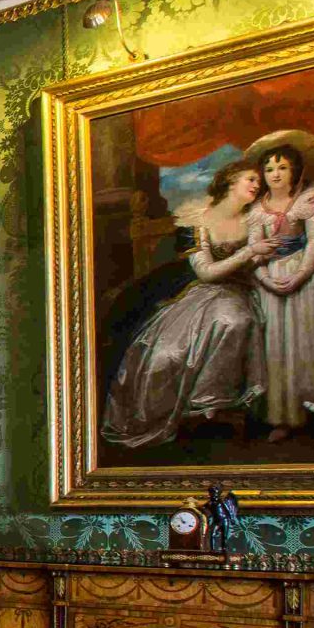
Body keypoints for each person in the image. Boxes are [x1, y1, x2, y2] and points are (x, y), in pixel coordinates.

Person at [102, 160, 269, 449]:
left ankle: (211, 405)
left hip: (238, 292)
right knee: (163, 354)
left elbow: (257, 264)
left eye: (258, 181)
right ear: (230, 179)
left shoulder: (255, 219)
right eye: (250, 179)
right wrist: (249, 253)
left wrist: (257, 257)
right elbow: (206, 272)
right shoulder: (196, 220)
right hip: (199, 292)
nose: (257, 185)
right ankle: (165, 416)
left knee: (234, 321)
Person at [244, 130, 314, 440]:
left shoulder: (309, 199)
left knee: (306, 342)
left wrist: (300, 275)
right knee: (275, 345)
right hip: (269, 278)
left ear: (296, 170)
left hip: (304, 276)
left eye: (282, 167)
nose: (275, 174)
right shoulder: (257, 209)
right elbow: (254, 249)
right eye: (269, 169)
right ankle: (281, 416)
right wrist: (265, 279)